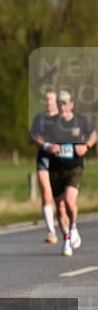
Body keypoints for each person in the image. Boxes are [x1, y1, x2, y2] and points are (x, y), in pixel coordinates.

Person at [42, 91, 96, 256]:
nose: (62, 107)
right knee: (59, 206)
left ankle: (73, 226)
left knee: (69, 201)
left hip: (74, 167)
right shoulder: (51, 123)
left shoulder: (80, 121)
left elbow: (94, 133)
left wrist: (86, 146)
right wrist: (47, 146)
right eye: (60, 104)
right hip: (56, 169)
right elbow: (36, 138)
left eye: (65, 104)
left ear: (71, 105)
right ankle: (66, 239)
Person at [29, 91, 62, 244]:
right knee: (46, 194)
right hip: (44, 158)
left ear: (57, 101)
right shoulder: (39, 119)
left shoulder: (63, 117)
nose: (49, 102)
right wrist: (46, 145)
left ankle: (69, 230)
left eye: (51, 99)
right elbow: (32, 138)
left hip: (62, 160)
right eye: (46, 99)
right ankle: (51, 231)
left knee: (61, 200)